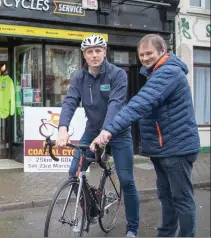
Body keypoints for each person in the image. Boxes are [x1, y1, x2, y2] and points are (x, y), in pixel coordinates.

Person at [91, 34, 200, 237]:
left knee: (182, 200)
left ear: (162, 51)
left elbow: (141, 103)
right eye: (141, 54)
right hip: (164, 148)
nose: (145, 58)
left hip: (176, 148)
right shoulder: (156, 73)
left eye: (149, 53)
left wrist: (109, 129)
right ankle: (165, 234)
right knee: (167, 197)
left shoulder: (168, 73)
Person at [57, 35, 140, 237]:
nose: (94, 55)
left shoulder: (117, 74)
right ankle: (91, 208)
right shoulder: (79, 77)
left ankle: (132, 228)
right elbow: (70, 102)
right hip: (92, 131)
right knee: (74, 173)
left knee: (127, 180)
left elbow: (116, 103)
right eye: (89, 51)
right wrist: (62, 128)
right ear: (84, 55)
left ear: (105, 52)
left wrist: (107, 130)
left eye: (97, 50)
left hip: (118, 132)